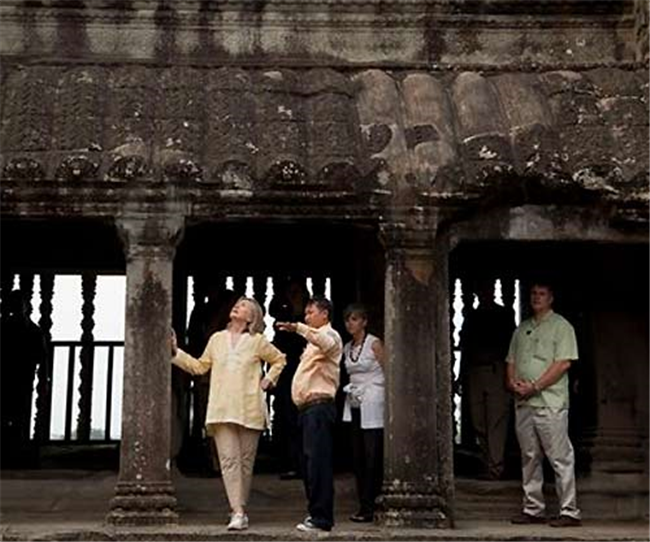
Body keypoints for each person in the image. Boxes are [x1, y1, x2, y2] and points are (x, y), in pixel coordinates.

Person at [170, 296, 286, 530]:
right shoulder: (217, 339)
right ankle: (238, 511)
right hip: (222, 409)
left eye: (244, 306)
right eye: (237, 304)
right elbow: (199, 366)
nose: (237, 306)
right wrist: (175, 352)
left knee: (245, 463)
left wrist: (268, 379)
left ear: (252, 317)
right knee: (229, 461)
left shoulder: (257, 341)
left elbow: (279, 359)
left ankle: (240, 510)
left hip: (249, 408)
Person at [507, 281, 582, 527]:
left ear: (551, 298)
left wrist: (536, 386)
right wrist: (513, 383)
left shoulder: (562, 327)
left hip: (550, 401)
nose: (536, 297)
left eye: (542, 294)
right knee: (529, 456)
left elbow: (563, 364)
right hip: (524, 402)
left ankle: (569, 511)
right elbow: (511, 361)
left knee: (560, 456)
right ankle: (533, 508)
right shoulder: (522, 328)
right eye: (533, 293)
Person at [276, 296, 343, 533]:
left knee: (318, 464)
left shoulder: (330, 335)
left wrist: (299, 328)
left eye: (310, 312)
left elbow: (326, 344)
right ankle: (316, 513)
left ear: (324, 314)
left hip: (319, 407)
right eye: (305, 313)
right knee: (308, 464)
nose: (306, 317)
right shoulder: (312, 342)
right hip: (306, 409)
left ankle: (322, 518)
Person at [459, 279, 515, 480]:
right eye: (480, 289)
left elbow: (512, 348)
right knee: (478, 422)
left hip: (496, 370)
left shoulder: (504, 315)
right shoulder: (471, 316)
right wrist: (459, 377)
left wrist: (511, 375)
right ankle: (488, 463)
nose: (484, 292)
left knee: (496, 421)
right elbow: (465, 348)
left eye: (487, 288)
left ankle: (495, 467)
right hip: (474, 371)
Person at [341, 303, 385, 523]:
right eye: (348, 319)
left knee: (372, 455)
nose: (351, 323)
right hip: (355, 401)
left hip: (374, 400)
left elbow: (388, 370)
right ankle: (363, 504)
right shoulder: (347, 347)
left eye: (355, 319)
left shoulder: (374, 343)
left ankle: (373, 504)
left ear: (364, 322)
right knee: (358, 455)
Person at [0, 289, 48, 465]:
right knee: (12, 415)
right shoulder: (31, 329)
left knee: (18, 415)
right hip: (13, 378)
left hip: (20, 378)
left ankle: (14, 451)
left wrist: (44, 378)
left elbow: (42, 358)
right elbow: (42, 357)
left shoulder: (31, 330)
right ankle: (13, 451)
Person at [268, 277, 309, 480]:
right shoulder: (283, 316)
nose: (294, 296)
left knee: (299, 420)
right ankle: (288, 461)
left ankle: (301, 464)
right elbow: (273, 311)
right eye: (290, 292)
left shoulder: (307, 322)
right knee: (284, 417)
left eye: (297, 292)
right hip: (285, 373)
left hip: (302, 373)